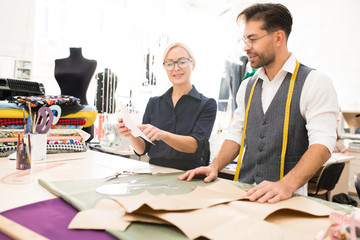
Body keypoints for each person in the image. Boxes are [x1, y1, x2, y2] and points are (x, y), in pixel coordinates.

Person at [179, 3, 339, 203]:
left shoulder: (315, 82)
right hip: (243, 194)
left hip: (287, 202)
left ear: (278, 37)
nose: (246, 47)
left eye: (253, 39)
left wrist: (286, 184)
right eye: (245, 40)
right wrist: (215, 166)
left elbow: (322, 144)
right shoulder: (247, 86)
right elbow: (236, 135)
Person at [117, 42, 217, 170]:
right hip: (155, 174)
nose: (176, 68)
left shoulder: (207, 104)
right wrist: (131, 134)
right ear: (165, 68)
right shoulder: (154, 103)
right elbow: (142, 149)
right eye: (169, 64)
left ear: (193, 64)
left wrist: (162, 134)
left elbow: (194, 145)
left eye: (182, 62)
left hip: (188, 175)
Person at [54, 47, 97, 140]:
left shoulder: (91, 63)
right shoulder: (58, 62)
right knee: (57, 141)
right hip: (61, 111)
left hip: (81, 111)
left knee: (83, 144)